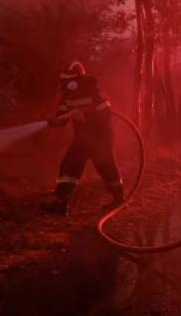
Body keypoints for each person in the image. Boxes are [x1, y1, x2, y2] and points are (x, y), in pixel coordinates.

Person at [41, 61, 124, 216]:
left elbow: (105, 113)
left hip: (100, 138)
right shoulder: (67, 97)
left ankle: (119, 199)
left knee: (106, 167)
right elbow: (62, 119)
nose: (65, 83)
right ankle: (61, 203)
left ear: (76, 79)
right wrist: (53, 122)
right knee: (69, 167)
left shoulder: (92, 90)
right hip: (82, 140)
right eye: (63, 80)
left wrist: (86, 117)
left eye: (68, 80)